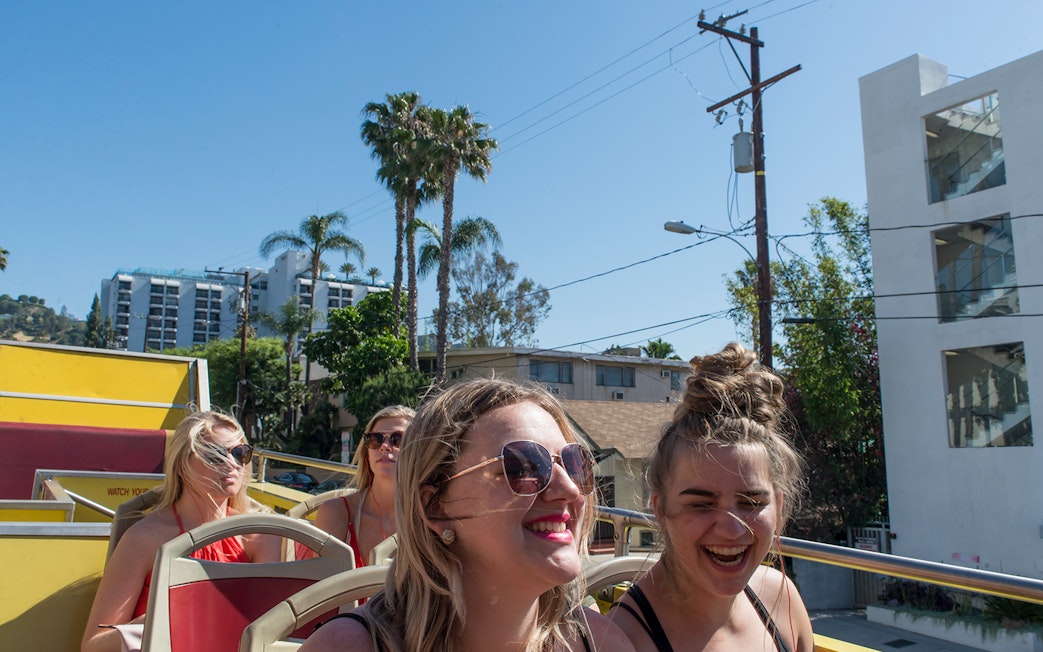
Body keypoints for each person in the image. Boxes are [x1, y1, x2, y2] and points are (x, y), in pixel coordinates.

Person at [300, 378, 635, 652]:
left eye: (575, 464)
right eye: (523, 466)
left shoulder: (604, 644)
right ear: (435, 506)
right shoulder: (343, 647)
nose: (570, 490)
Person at [608, 343, 814, 652]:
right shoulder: (622, 640)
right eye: (701, 504)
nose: (731, 530)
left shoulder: (781, 599)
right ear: (660, 510)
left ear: (779, 508)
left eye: (752, 503)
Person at [82, 410, 281, 652]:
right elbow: (94, 645)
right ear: (182, 464)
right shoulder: (145, 538)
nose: (232, 464)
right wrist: (170, 618)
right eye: (215, 455)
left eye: (240, 454)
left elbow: (270, 631)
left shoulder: (259, 535)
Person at [314, 405, 415, 567]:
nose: (385, 446)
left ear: (418, 451)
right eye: (376, 440)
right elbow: (324, 587)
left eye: (399, 439)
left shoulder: (430, 517)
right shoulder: (336, 513)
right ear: (367, 454)